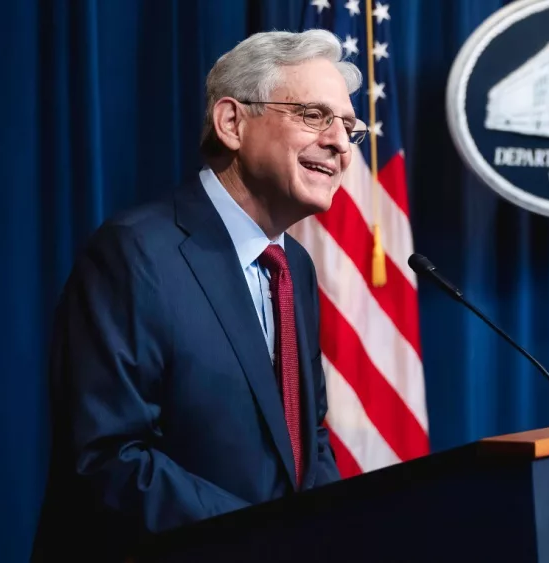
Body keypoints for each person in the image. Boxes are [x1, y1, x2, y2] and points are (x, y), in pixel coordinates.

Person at [30, 28, 367, 561]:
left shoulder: (293, 266)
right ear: (232, 122)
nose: (340, 144)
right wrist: (270, 537)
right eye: (314, 116)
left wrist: (331, 533)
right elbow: (108, 457)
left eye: (349, 127)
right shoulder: (134, 254)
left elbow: (307, 436)